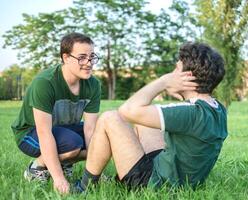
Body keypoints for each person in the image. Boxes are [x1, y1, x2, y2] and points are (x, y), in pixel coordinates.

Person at [74, 42, 227, 192]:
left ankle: (84, 186)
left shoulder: (190, 113)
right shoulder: (216, 109)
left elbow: (126, 110)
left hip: (155, 186)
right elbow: (191, 123)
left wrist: (163, 82)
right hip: (179, 178)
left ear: (186, 77)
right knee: (145, 122)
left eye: (176, 69)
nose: (171, 73)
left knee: (110, 117)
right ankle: (120, 175)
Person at [11, 32, 101, 194]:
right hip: (30, 133)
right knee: (73, 145)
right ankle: (36, 168)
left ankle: (65, 164)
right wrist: (59, 179)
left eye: (91, 56)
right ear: (66, 58)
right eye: (81, 57)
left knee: (102, 138)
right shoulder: (45, 83)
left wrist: (92, 175)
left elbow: (90, 130)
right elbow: (44, 133)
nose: (88, 63)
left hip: (64, 128)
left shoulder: (93, 85)